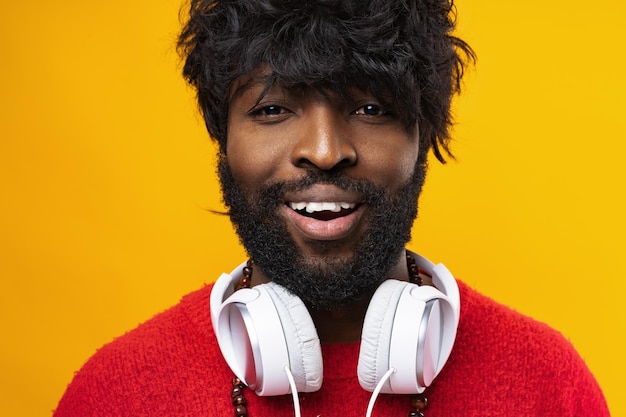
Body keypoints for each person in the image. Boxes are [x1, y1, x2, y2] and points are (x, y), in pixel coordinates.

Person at [53, 0, 609, 416]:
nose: (323, 151)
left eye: (370, 107)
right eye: (272, 109)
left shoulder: (547, 385)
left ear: (423, 137)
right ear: (222, 138)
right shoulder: (116, 393)